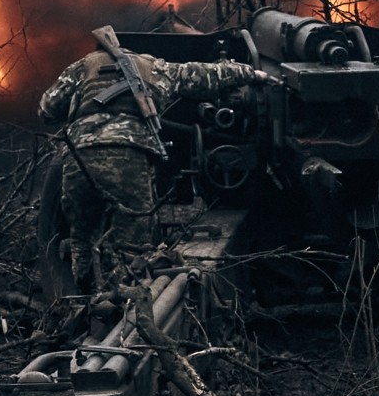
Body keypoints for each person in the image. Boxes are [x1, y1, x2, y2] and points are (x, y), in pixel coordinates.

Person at [39, 26, 267, 295]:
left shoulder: (80, 67)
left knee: (81, 238)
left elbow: (47, 108)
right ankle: (125, 309)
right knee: (131, 249)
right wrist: (250, 73)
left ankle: (78, 300)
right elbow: (203, 75)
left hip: (79, 158)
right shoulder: (151, 66)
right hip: (129, 157)